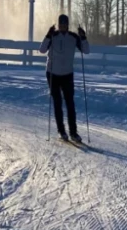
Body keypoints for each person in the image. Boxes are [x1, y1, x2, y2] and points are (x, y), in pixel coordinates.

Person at [39, 14, 90, 143]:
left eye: (65, 24)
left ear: (68, 25)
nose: (62, 27)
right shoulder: (53, 36)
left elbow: (86, 50)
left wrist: (83, 37)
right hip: (52, 74)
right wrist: (47, 35)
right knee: (57, 102)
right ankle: (61, 131)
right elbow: (42, 50)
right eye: (60, 24)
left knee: (70, 103)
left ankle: (73, 133)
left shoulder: (73, 37)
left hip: (67, 74)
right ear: (58, 25)